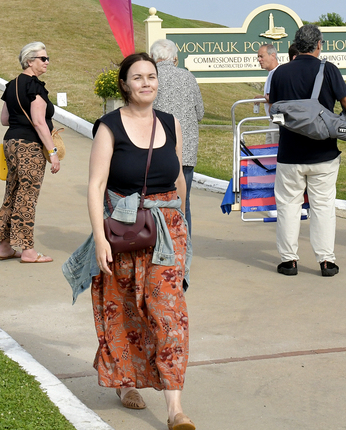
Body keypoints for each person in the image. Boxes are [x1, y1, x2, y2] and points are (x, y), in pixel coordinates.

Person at [63, 52, 193, 428]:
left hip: (167, 234)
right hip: (122, 232)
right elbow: (95, 185)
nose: (146, 83)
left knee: (169, 315)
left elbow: (179, 178)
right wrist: (101, 239)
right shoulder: (109, 127)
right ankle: (124, 382)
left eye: (151, 76)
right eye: (137, 77)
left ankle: (174, 408)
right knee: (123, 311)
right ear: (124, 84)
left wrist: (182, 224)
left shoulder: (171, 123)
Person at [268, 24, 346, 277]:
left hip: (289, 153)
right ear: (319, 44)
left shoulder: (280, 73)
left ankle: (289, 261)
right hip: (324, 153)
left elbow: (274, 110)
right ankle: (326, 261)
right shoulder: (328, 70)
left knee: (288, 206)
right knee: (323, 206)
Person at [0, 41, 61, 263]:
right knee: (27, 196)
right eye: (43, 58)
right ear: (29, 61)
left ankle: (4, 246)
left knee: (12, 192)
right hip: (29, 147)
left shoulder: (11, 85)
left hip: (10, 143)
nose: (47, 62)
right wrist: (52, 153)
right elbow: (40, 122)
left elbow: (4, 120)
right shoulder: (35, 86)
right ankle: (28, 250)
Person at [151, 38, 206, 237]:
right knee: (184, 202)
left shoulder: (151, 78)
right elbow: (199, 112)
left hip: (157, 150)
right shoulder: (188, 77)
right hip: (186, 151)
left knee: (156, 202)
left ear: (152, 58)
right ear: (175, 58)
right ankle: (184, 250)